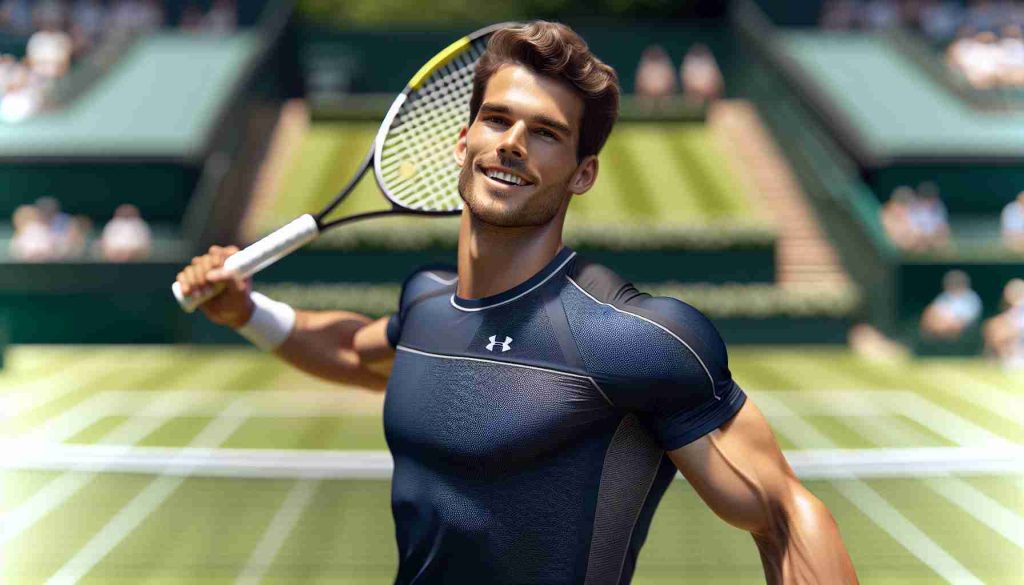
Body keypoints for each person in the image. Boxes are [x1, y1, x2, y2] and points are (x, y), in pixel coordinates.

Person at [176, 21, 858, 584]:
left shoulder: (631, 336)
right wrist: (248, 312)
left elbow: (786, 513)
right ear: (462, 140)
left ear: (582, 173)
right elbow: (357, 350)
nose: (511, 142)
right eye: (497, 118)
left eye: (546, 132)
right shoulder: (427, 305)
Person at [919, 270, 983, 340]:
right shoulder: (944, 296)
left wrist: (949, 322)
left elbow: (968, 319)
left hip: (961, 326)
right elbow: (933, 312)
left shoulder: (971, 298)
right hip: (941, 322)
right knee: (929, 311)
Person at [983, 278, 1024, 366]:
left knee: (1001, 333)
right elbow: (1008, 319)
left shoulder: (1021, 304)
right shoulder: (1014, 307)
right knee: (994, 328)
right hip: (1016, 333)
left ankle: (1015, 357)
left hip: (1020, 335)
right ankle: (1007, 357)